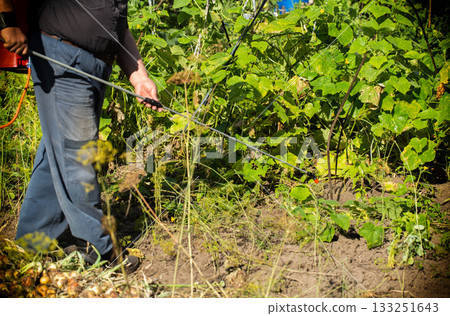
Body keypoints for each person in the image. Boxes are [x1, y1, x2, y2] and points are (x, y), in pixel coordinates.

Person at [0, 0, 161, 272]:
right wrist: (8, 22)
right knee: (77, 154)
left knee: (58, 155)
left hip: (96, 68)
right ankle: (102, 246)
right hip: (61, 57)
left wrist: (138, 76)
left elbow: (118, 28)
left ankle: (28, 246)